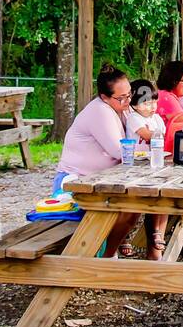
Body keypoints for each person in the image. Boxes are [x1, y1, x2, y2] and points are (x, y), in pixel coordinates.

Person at [54, 67, 142, 256]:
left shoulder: (122, 109)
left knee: (133, 208)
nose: (128, 101)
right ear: (104, 97)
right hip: (76, 181)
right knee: (125, 209)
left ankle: (107, 255)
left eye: (130, 95)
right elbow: (119, 150)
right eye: (122, 98)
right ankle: (102, 256)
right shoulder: (100, 111)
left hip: (102, 181)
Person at [128, 78, 169, 260]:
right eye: (145, 103)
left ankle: (158, 232)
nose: (151, 106)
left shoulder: (156, 118)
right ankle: (131, 236)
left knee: (167, 194)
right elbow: (148, 135)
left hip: (155, 164)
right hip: (136, 166)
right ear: (134, 105)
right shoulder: (133, 118)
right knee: (145, 200)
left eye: (153, 101)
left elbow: (163, 135)